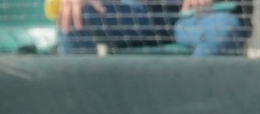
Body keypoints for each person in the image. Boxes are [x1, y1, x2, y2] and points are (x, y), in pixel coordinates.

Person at [56, 0, 248, 55]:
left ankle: (187, 100)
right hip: (130, 14)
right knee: (74, 15)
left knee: (224, 29)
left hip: (188, 17)